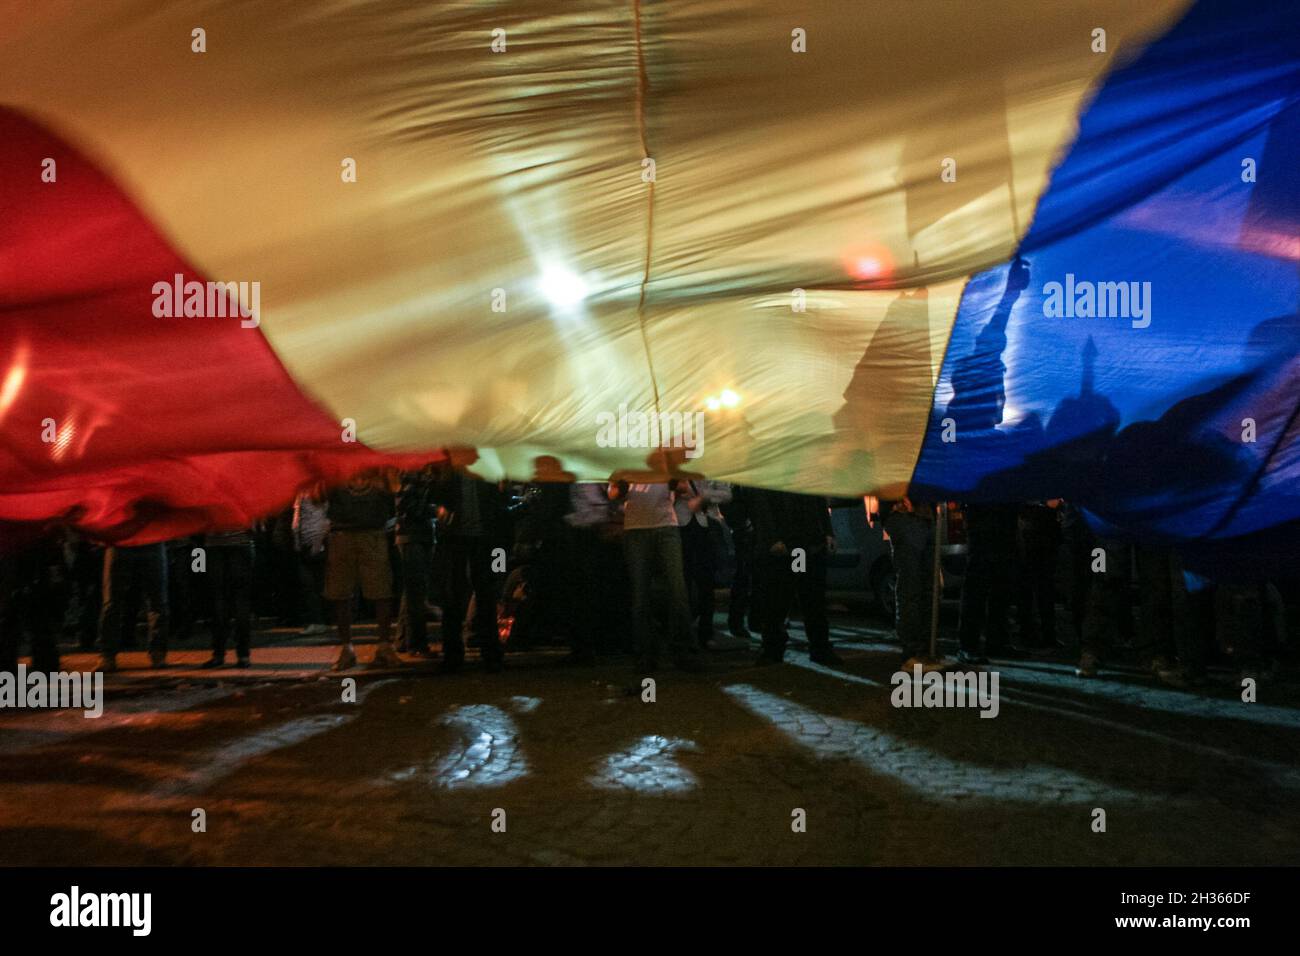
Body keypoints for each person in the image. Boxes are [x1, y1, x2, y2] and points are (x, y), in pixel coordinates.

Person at [611, 477, 699, 672]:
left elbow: (686, 488)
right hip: (637, 529)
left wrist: (674, 483)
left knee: (677, 590)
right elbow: (613, 492)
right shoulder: (626, 460)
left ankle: (681, 651)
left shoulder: (665, 460)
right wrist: (622, 488)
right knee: (641, 595)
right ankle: (646, 654)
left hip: (665, 525)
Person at [433, 466, 512, 672]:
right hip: (463, 538)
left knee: (480, 595)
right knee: (462, 596)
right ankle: (475, 654)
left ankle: (476, 654)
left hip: (476, 538)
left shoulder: (460, 470)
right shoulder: (471, 469)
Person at [750, 489, 841, 666]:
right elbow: (762, 504)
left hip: (804, 543)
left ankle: (782, 648)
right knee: (786, 596)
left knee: (807, 597)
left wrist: (827, 532)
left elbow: (818, 502)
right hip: (794, 543)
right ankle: (779, 647)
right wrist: (772, 538)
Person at [324, 470, 398, 670]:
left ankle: (383, 646)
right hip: (343, 534)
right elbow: (318, 495)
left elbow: (395, 488)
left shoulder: (378, 466)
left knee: (381, 590)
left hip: (372, 533)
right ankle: (347, 648)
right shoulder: (337, 466)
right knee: (341, 592)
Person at [956, 502, 1017, 665]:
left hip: (1002, 522)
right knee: (976, 588)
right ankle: (968, 645)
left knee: (1001, 588)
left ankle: (996, 642)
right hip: (982, 523)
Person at [673, 478, 731, 648]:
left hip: (706, 526)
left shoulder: (712, 467)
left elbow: (726, 494)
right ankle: (682, 633)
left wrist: (704, 497)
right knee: (681, 581)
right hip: (679, 525)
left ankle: (705, 633)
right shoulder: (676, 465)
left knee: (706, 582)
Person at [97, 543, 169, 672]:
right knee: (156, 601)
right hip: (134, 540)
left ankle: (108, 656)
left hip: (128, 540)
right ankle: (157, 653)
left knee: (113, 602)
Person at [883, 497, 936, 667]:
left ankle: (925, 647)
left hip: (924, 515)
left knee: (930, 588)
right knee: (910, 586)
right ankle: (912, 649)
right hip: (904, 513)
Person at [394, 463, 441, 655]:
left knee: (412, 591)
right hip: (412, 535)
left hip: (418, 535)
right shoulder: (413, 470)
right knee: (416, 591)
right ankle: (416, 644)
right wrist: (436, 510)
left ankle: (404, 640)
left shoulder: (420, 471)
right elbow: (406, 506)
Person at [201, 527, 255, 668]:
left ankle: (218, 654)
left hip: (214, 545)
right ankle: (243, 656)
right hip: (241, 544)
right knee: (241, 601)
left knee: (218, 600)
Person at [292, 488, 330, 636]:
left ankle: (317, 621)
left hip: (309, 542)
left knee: (309, 585)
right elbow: (325, 520)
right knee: (317, 583)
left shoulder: (304, 493)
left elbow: (297, 522)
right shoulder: (321, 494)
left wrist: (298, 541)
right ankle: (322, 619)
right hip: (315, 541)